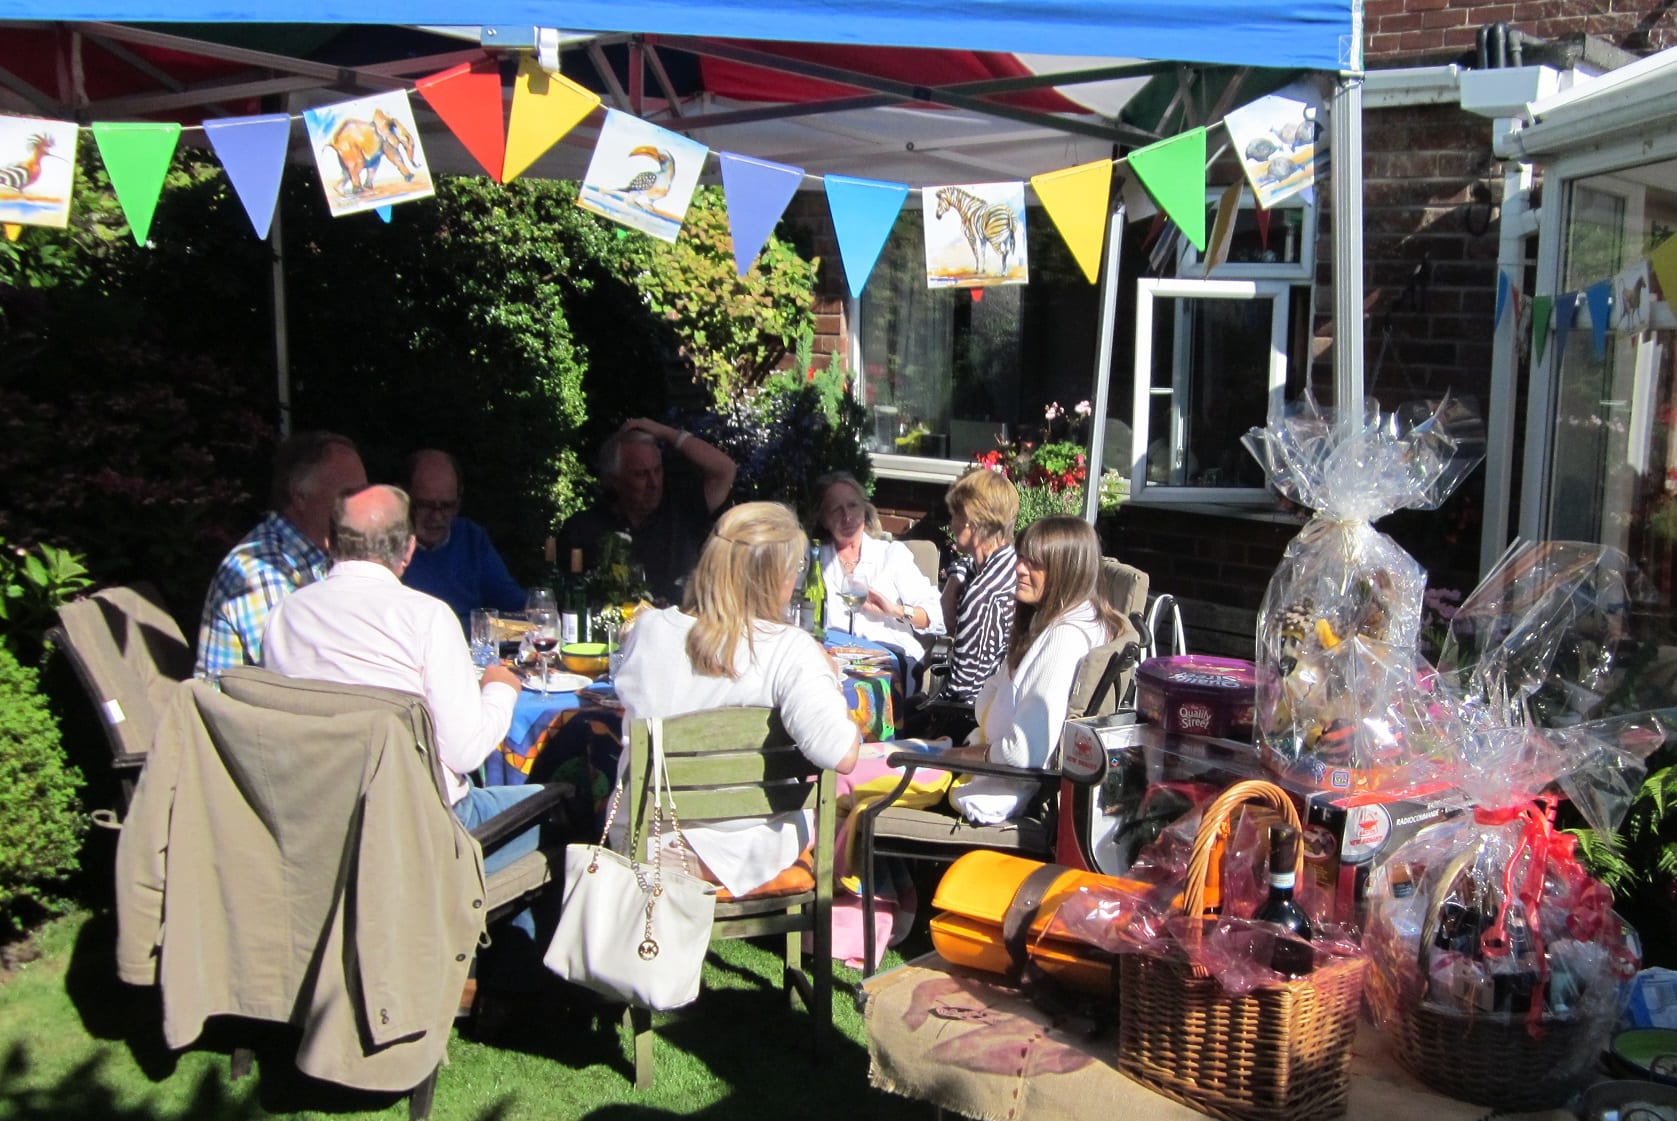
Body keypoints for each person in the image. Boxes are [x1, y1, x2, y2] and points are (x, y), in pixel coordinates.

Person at [260, 484, 544, 873]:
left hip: (319, 828)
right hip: (423, 837)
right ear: (409, 550)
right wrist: (500, 688)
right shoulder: (425, 617)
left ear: (328, 542)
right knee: (574, 804)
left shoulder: (283, 617)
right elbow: (465, 752)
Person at [612, 502, 860, 899]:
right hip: (743, 847)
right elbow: (840, 754)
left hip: (648, 836)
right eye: (794, 571)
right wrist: (828, 678)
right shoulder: (788, 649)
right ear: (773, 576)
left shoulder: (648, 629)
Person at [947, 515, 1129, 825]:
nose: (1019, 569)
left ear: (1067, 570)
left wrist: (957, 757)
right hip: (990, 760)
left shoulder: (1064, 639)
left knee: (870, 791)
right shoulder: (1071, 619)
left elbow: (1023, 753)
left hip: (1002, 792)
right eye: (1021, 558)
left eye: (1035, 564)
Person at [194, 430, 367, 679]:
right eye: (349, 495)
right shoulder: (260, 569)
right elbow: (300, 677)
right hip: (248, 715)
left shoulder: (325, 557)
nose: (362, 505)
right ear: (300, 496)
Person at [558, 417, 736, 604]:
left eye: (657, 470)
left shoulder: (683, 509)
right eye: (640, 474)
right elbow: (567, 601)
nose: (654, 483)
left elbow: (725, 470)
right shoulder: (583, 529)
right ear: (615, 480)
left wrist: (668, 433)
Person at [901, 468, 1019, 740]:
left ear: (972, 522)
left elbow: (963, 693)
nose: (951, 523)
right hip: (987, 712)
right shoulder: (1008, 565)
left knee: (888, 722)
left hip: (969, 728)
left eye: (956, 515)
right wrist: (956, 578)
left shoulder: (983, 595)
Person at [809, 471, 943, 683]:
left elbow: (937, 616)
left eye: (853, 506)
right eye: (836, 510)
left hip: (886, 660)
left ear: (864, 510)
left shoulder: (891, 555)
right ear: (823, 519)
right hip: (830, 659)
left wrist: (895, 610)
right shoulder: (813, 561)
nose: (847, 517)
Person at [399, 449, 527, 630]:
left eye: (447, 506)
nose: (437, 517)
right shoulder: (387, 546)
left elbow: (519, 614)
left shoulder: (471, 539)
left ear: (458, 501)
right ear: (404, 498)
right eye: (425, 505)